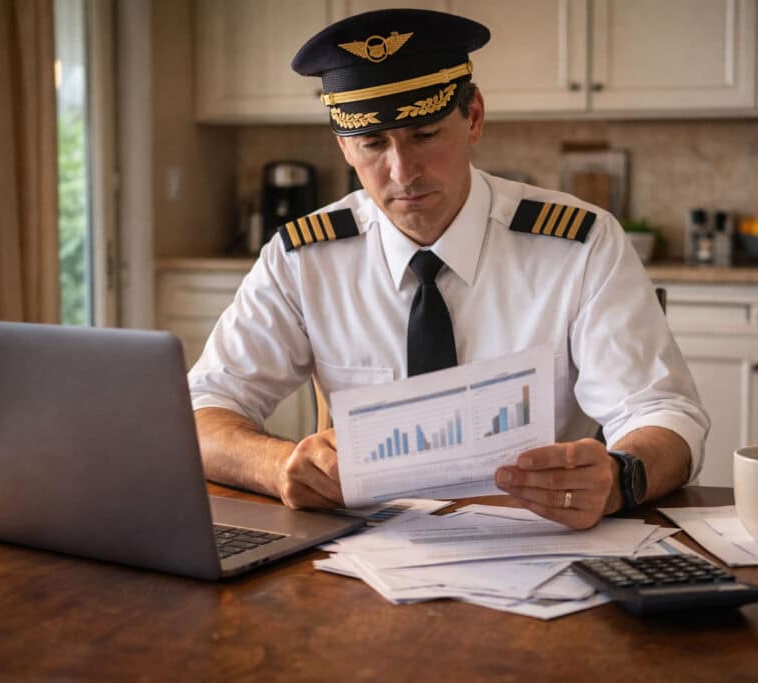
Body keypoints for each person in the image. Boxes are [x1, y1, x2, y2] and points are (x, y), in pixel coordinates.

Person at [189, 8, 709, 530]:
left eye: (425, 134)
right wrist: (278, 466)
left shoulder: (579, 244)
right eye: (373, 144)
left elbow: (665, 413)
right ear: (345, 146)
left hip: (534, 541)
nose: (402, 172)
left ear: (474, 117)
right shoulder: (303, 258)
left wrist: (620, 478)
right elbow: (199, 412)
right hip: (363, 556)